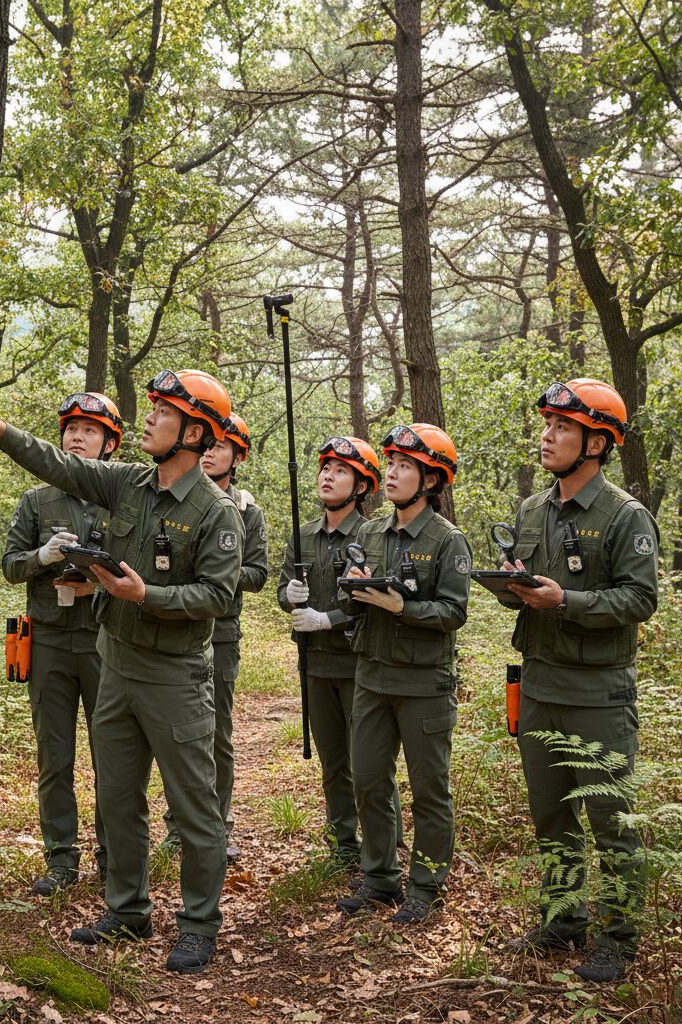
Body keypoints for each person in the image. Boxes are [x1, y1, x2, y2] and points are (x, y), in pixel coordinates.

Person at [0, 368, 244, 975]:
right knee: (118, 797)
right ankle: (128, 910)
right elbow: (64, 468)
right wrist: (2, 431)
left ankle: (198, 923)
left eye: (163, 412)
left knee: (195, 807)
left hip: (174, 676)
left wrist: (147, 596)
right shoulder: (129, 484)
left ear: (193, 431)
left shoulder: (217, 512)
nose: (149, 418)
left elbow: (217, 597)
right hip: (115, 665)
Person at [498, 378, 658, 983]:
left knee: (610, 821)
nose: (548, 436)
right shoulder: (532, 509)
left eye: (563, 428)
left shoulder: (625, 515)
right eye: (547, 426)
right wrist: (514, 583)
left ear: (597, 442)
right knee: (551, 817)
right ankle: (563, 922)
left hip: (597, 693)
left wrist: (567, 600)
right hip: (539, 685)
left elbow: (639, 598)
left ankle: (619, 938)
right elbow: (532, 585)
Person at [336, 424, 471, 926]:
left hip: (423, 684)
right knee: (369, 779)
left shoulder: (446, 540)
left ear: (432, 480)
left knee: (429, 787)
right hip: (371, 677)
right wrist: (356, 589)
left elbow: (454, 611)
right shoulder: (369, 531)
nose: (391, 474)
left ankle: (426, 885)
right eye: (390, 464)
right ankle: (380, 876)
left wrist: (403, 607)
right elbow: (353, 589)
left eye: (405, 466)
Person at [2, 392, 121, 896]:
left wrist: (99, 576)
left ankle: (114, 856)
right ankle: (60, 859)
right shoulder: (37, 500)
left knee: (112, 756)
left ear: (109, 444)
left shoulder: (121, 497)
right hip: (48, 638)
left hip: (102, 639)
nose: (78, 436)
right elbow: (10, 567)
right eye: (71, 428)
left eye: (90, 430)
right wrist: (44, 557)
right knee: (55, 756)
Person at [160, 413, 268, 864]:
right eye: (206, 445)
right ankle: (176, 827)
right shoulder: (171, 497)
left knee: (215, 734)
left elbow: (258, 573)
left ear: (237, 455)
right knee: (173, 735)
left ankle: (217, 826)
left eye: (220, 447)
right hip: (174, 627)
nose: (210, 453)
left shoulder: (246, 510)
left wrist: (216, 572)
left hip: (220, 631)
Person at [276, 437, 381, 867]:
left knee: (368, 765)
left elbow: (373, 597)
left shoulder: (373, 535)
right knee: (334, 762)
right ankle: (345, 846)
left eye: (340, 471)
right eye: (325, 469)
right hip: (315, 664)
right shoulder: (303, 536)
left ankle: (379, 849)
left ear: (360, 486)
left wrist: (329, 618)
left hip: (360, 663)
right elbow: (283, 590)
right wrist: (290, 594)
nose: (327, 476)